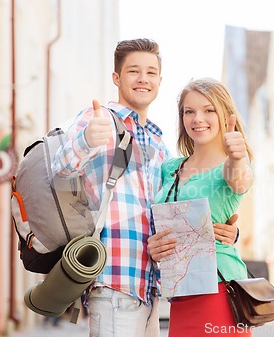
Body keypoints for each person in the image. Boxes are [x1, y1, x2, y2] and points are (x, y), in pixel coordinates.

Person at [52, 39, 238, 337]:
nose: (143, 79)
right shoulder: (97, 119)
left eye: (151, 72)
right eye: (133, 71)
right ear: (116, 78)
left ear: (159, 81)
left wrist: (227, 231)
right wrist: (86, 139)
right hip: (116, 280)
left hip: (153, 287)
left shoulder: (159, 146)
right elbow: (60, 168)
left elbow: (175, 211)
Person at [148, 78, 254, 336]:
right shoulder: (170, 168)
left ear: (224, 115)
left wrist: (237, 157)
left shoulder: (230, 166)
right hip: (180, 291)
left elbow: (239, 179)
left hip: (218, 289)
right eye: (189, 111)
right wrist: (153, 244)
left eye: (209, 110)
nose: (198, 118)